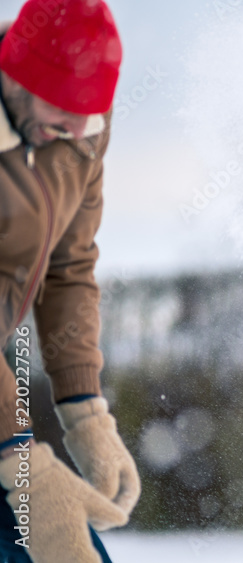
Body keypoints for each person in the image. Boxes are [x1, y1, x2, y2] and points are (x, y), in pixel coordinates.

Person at [0, 1, 139, 562]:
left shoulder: (78, 132)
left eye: (93, 117)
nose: (80, 133)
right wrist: (19, 457)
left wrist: (85, 408)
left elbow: (69, 268)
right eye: (65, 112)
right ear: (16, 77)